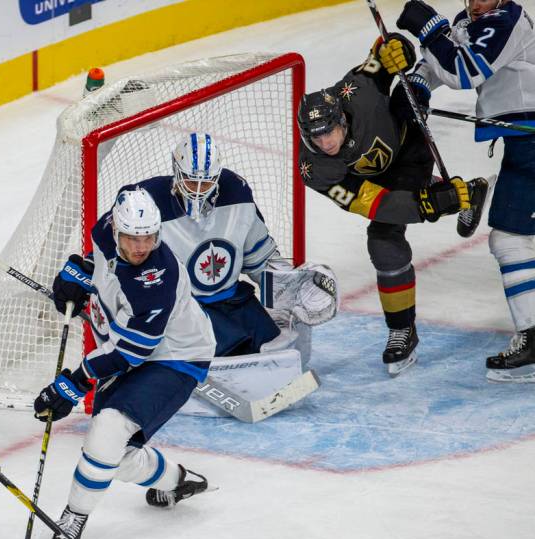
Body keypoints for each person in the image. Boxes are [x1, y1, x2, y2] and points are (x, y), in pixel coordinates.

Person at [35, 188, 216, 539]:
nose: (141, 246)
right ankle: (176, 480)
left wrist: (74, 382)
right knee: (113, 455)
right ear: (116, 228)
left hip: (175, 356)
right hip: (124, 348)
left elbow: (133, 350)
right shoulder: (105, 231)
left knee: (107, 431)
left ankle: (75, 516)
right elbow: (98, 260)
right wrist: (83, 273)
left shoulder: (156, 278)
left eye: (148, 236)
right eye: (133, 237)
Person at [297, 34, 487, 375]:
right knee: (390, 229)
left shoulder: (358, 92)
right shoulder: (316, 170)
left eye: (329, 131)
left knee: (384, 239)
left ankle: (403, 328)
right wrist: (425, 207)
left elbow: (384, 55)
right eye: (315, 136)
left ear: (341, 119)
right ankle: (463, 194)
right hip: (373, 182)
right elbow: (376, 203)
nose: (324, 142)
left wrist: (397, 46)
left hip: (408, 148)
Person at [396, 0, 535, 382]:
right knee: (513, 236)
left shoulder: (508, 20)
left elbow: (466, 68)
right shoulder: (468, 21)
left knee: (511, 238)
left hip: (532, 143)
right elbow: (439, 63)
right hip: (523, 146)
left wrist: (431, 29)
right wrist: (420, 86)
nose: (475, 3)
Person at [115, 132, 339, 362]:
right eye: (192, 181)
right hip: (184, 313)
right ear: (176, 170)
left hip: (234, 303)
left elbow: (260, 258)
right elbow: (118, 246)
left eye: (207, 182)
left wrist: (291, 285)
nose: (198, 190)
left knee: (277, 348)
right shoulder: (147, 201)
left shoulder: (236, 193)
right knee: (218, 358)